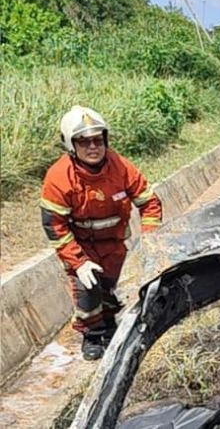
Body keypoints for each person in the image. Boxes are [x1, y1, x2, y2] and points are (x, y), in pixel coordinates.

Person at [40, 106, 162, 361]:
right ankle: (93, 335)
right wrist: (79, 262)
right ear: (71, 145)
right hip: (81, 246)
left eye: (98, 140)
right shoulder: (59, 178)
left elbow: (149, 203)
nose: (92, 147)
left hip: (114, 244)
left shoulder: (121, 167)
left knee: (115, 290)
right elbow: (54, 225)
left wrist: (151, 241)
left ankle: (113, 329)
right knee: (88, 293)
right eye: (84, 142)